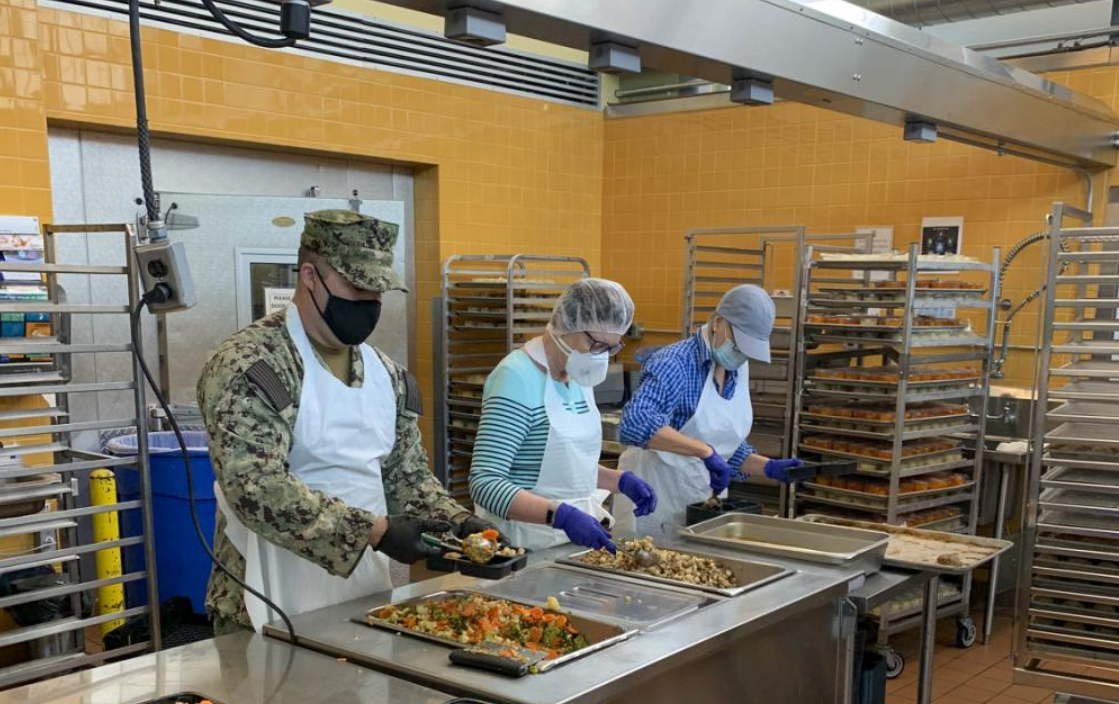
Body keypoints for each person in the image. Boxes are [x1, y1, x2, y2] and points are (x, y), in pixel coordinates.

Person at [198, 210, 495, 634]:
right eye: (356, 285)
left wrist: (458, 524)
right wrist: (373, 531)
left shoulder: (387, 376)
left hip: (361, 595)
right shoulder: (253, 365)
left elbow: (406, 480)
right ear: (310, 276)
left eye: (378, 290)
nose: (369, 302)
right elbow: (255, 488)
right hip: (262, 600)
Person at [468, 278, 657, 552]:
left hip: (571, 542)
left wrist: (619, 481)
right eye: (596, 344)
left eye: (610, 348)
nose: (600, 356)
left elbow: (565, 470)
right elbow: (485, 483)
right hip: (523, 544)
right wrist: (559, 515)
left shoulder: (577, 375)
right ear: (566, 326)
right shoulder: (516, 378)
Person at [614, 284, 802, 537]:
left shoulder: (736, 369)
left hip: (705, 508)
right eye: (738, 344)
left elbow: (725, 447)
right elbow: (634, 424)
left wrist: (767, 467)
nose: (741, 355)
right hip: (654, 503)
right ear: (718, 323)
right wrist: (703, 452)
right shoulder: (675, 362)